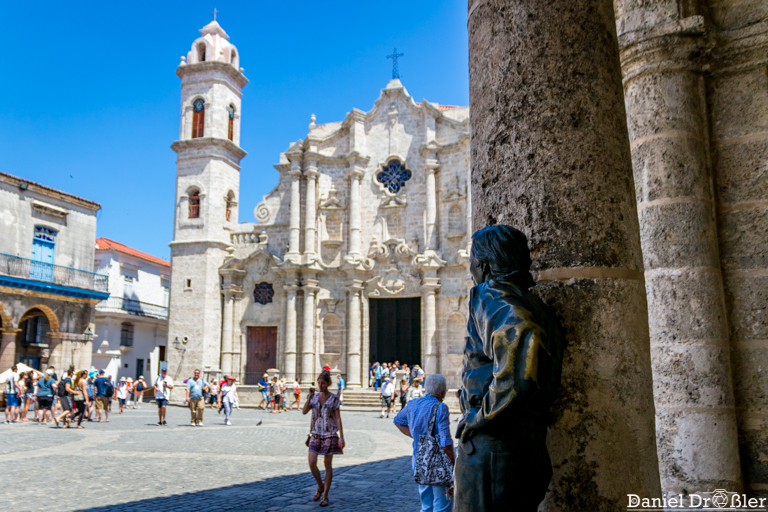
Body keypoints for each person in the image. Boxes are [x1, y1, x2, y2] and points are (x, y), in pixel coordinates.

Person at [454, 225, 565, 512]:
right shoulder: (536, 306)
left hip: (494, 449)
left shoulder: (492, 293)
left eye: (471, 261)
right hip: (529, 444)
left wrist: (479, 416)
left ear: (483, 264)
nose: (471, 269)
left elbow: (519, 340)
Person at [393, 374, 454, 512]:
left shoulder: (413, 404)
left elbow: (398, 421)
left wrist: (415, 436)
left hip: (419, 459)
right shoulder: (441, 407)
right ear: (443, 392)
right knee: (442, 505)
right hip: (439, 463)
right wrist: (453, 465)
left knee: (426, 505)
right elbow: (446, 443)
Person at [302, 370, 344, 508]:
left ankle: (325, 495)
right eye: (319, 383)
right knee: (312, 462)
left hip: (330, 434)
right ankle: (320, 485)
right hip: (315, 433)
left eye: (323, 383)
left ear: (328, 384)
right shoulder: (314, 397)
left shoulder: (334, 399)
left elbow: (338, 418)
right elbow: (304, 411)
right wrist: (310, 396)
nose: (320, 385)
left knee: (327, 465)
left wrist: (341, 437)